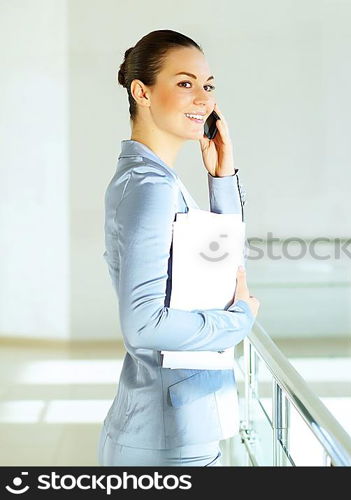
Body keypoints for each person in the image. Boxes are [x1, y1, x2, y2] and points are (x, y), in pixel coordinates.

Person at [97, 30, 260, 466]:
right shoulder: (149, 187)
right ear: (142, 92)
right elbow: (144, 325)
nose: (203, 99)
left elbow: (226, 273)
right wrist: (239, 321)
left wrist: (222, 180)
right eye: (185, 83)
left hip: (175, 430)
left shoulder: (160, 181)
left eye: (207, 86)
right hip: (164, 441)